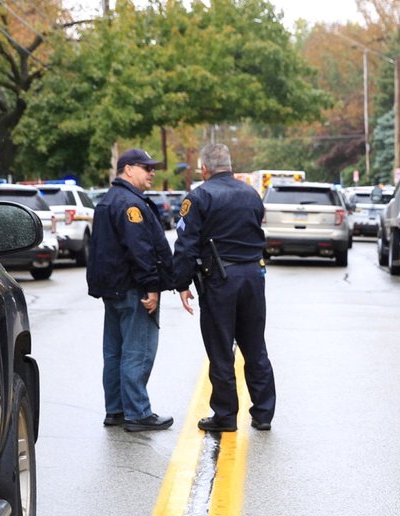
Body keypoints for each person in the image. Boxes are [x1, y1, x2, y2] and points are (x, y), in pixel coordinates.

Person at [172, 143, 275, 433]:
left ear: (204, 169)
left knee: (221, 350)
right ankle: (264, 413)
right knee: (255, 346)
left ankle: (226, 415)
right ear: (229, 166)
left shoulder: (200, 196)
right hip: (254, 277)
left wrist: (181, 282)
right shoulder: (251, 194)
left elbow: (186, 244)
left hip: (220, 280)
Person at [87, 148, 174, 432]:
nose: (152, 173)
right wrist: (151, 287)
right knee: (138, 351)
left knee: (114, 353)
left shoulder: (108, 201)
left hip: (112, 290)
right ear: (127, 169)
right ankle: (138, 413)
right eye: (145, 168)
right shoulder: (130, 204)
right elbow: (141, 250)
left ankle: (116, 409)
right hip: (133, 289)